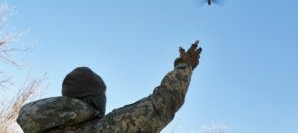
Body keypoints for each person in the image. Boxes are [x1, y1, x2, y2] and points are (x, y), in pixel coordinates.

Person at [17, 40, 202, 133]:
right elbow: (161, 105)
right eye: (102, 94)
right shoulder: (101, 129)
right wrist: (185, 65)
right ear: (92, 99)